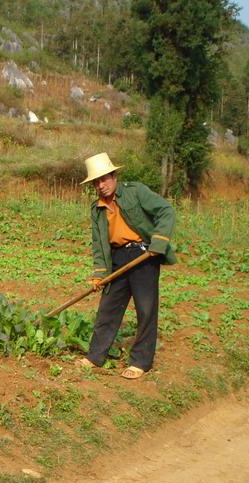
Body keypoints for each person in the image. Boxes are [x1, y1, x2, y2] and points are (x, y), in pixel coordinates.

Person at [76, 152, 176, 379]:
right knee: (108, 308)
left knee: (145, 308)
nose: (101, 185)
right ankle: (95, 356)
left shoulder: (135, 192)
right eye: (96, 182)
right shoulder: (97, 209)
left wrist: (159, 241)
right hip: (118, 257)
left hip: (143, 255)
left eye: (105, 179)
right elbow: (99, 243)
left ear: (114, 176)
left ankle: (141, 361)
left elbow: (165, 210)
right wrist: (99, 273)